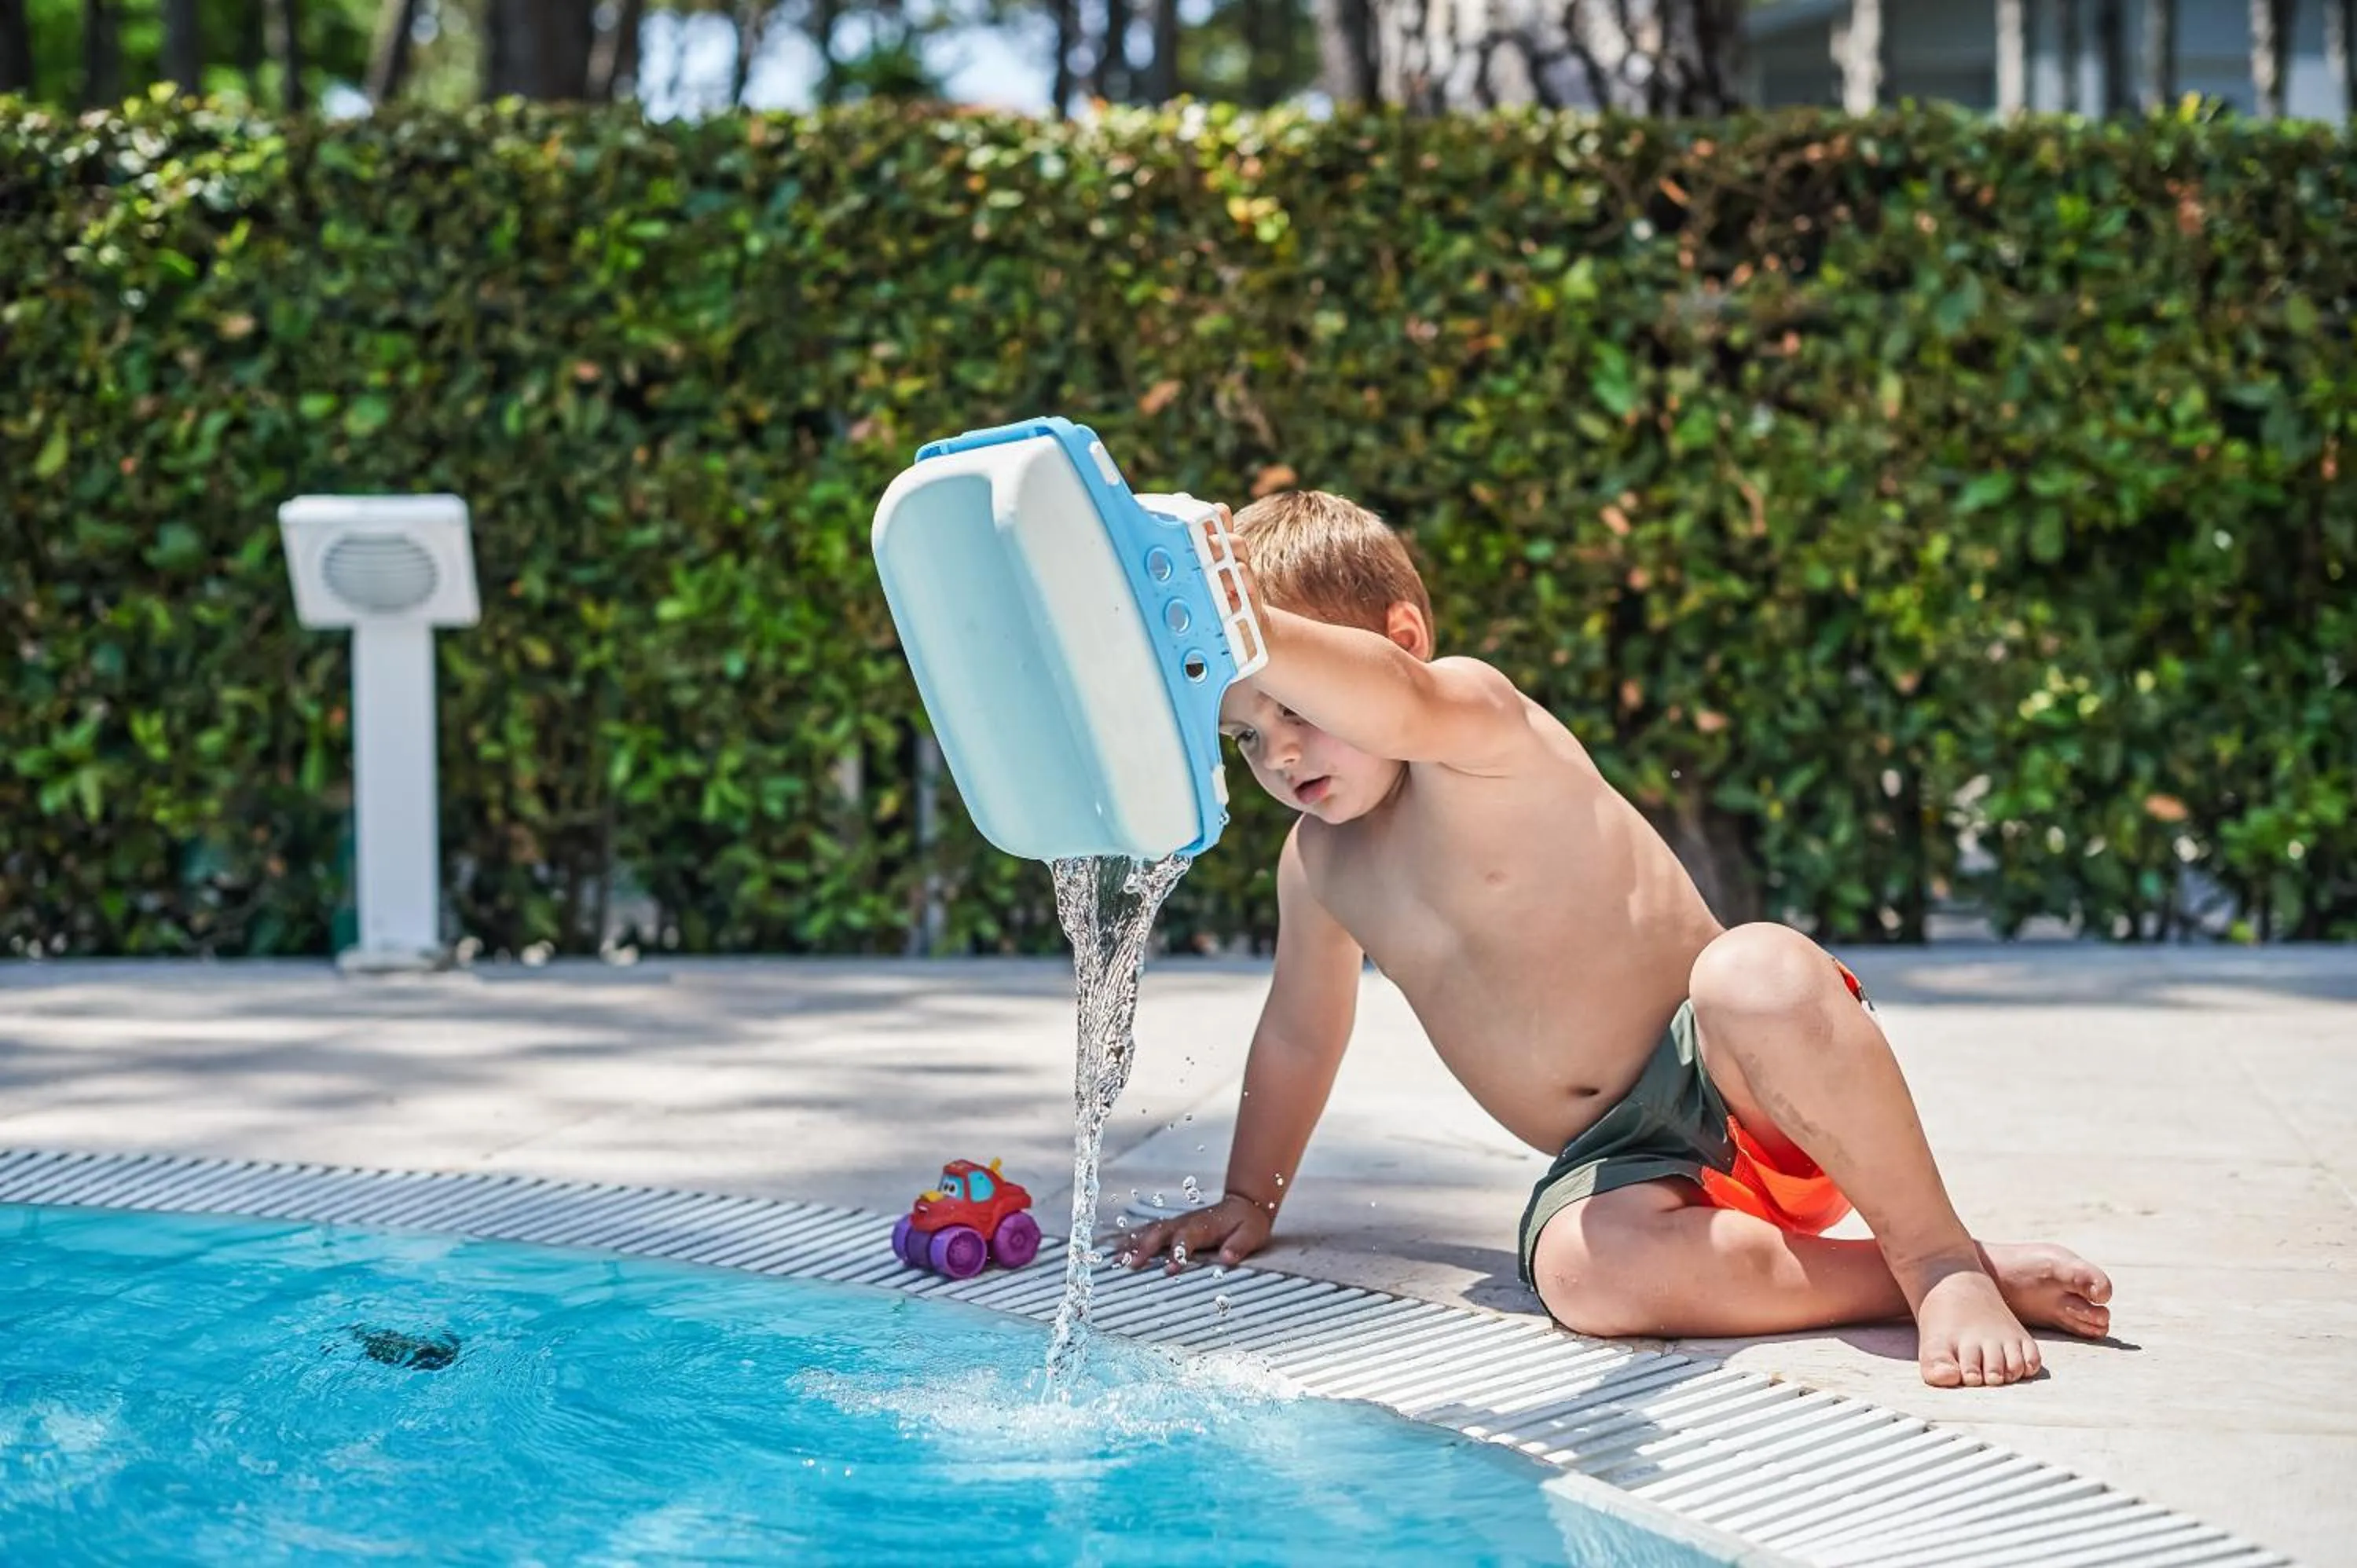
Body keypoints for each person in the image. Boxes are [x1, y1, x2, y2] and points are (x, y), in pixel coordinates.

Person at [1117, 489, 2112, 1388]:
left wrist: (1238, 611)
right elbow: (1299, 1033)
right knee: (1579, 1274)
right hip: (1626, 1162)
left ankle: (1938, 1257)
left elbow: (1401, 702)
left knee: (1753, 969)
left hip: (1741, 1077)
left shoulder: (1476, 728)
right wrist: (1253, 1194)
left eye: (1299, 704)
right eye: (1245, 733)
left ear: (1401, 641)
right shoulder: (1319, 866)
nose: (1280, 751)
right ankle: (1896, 1281)